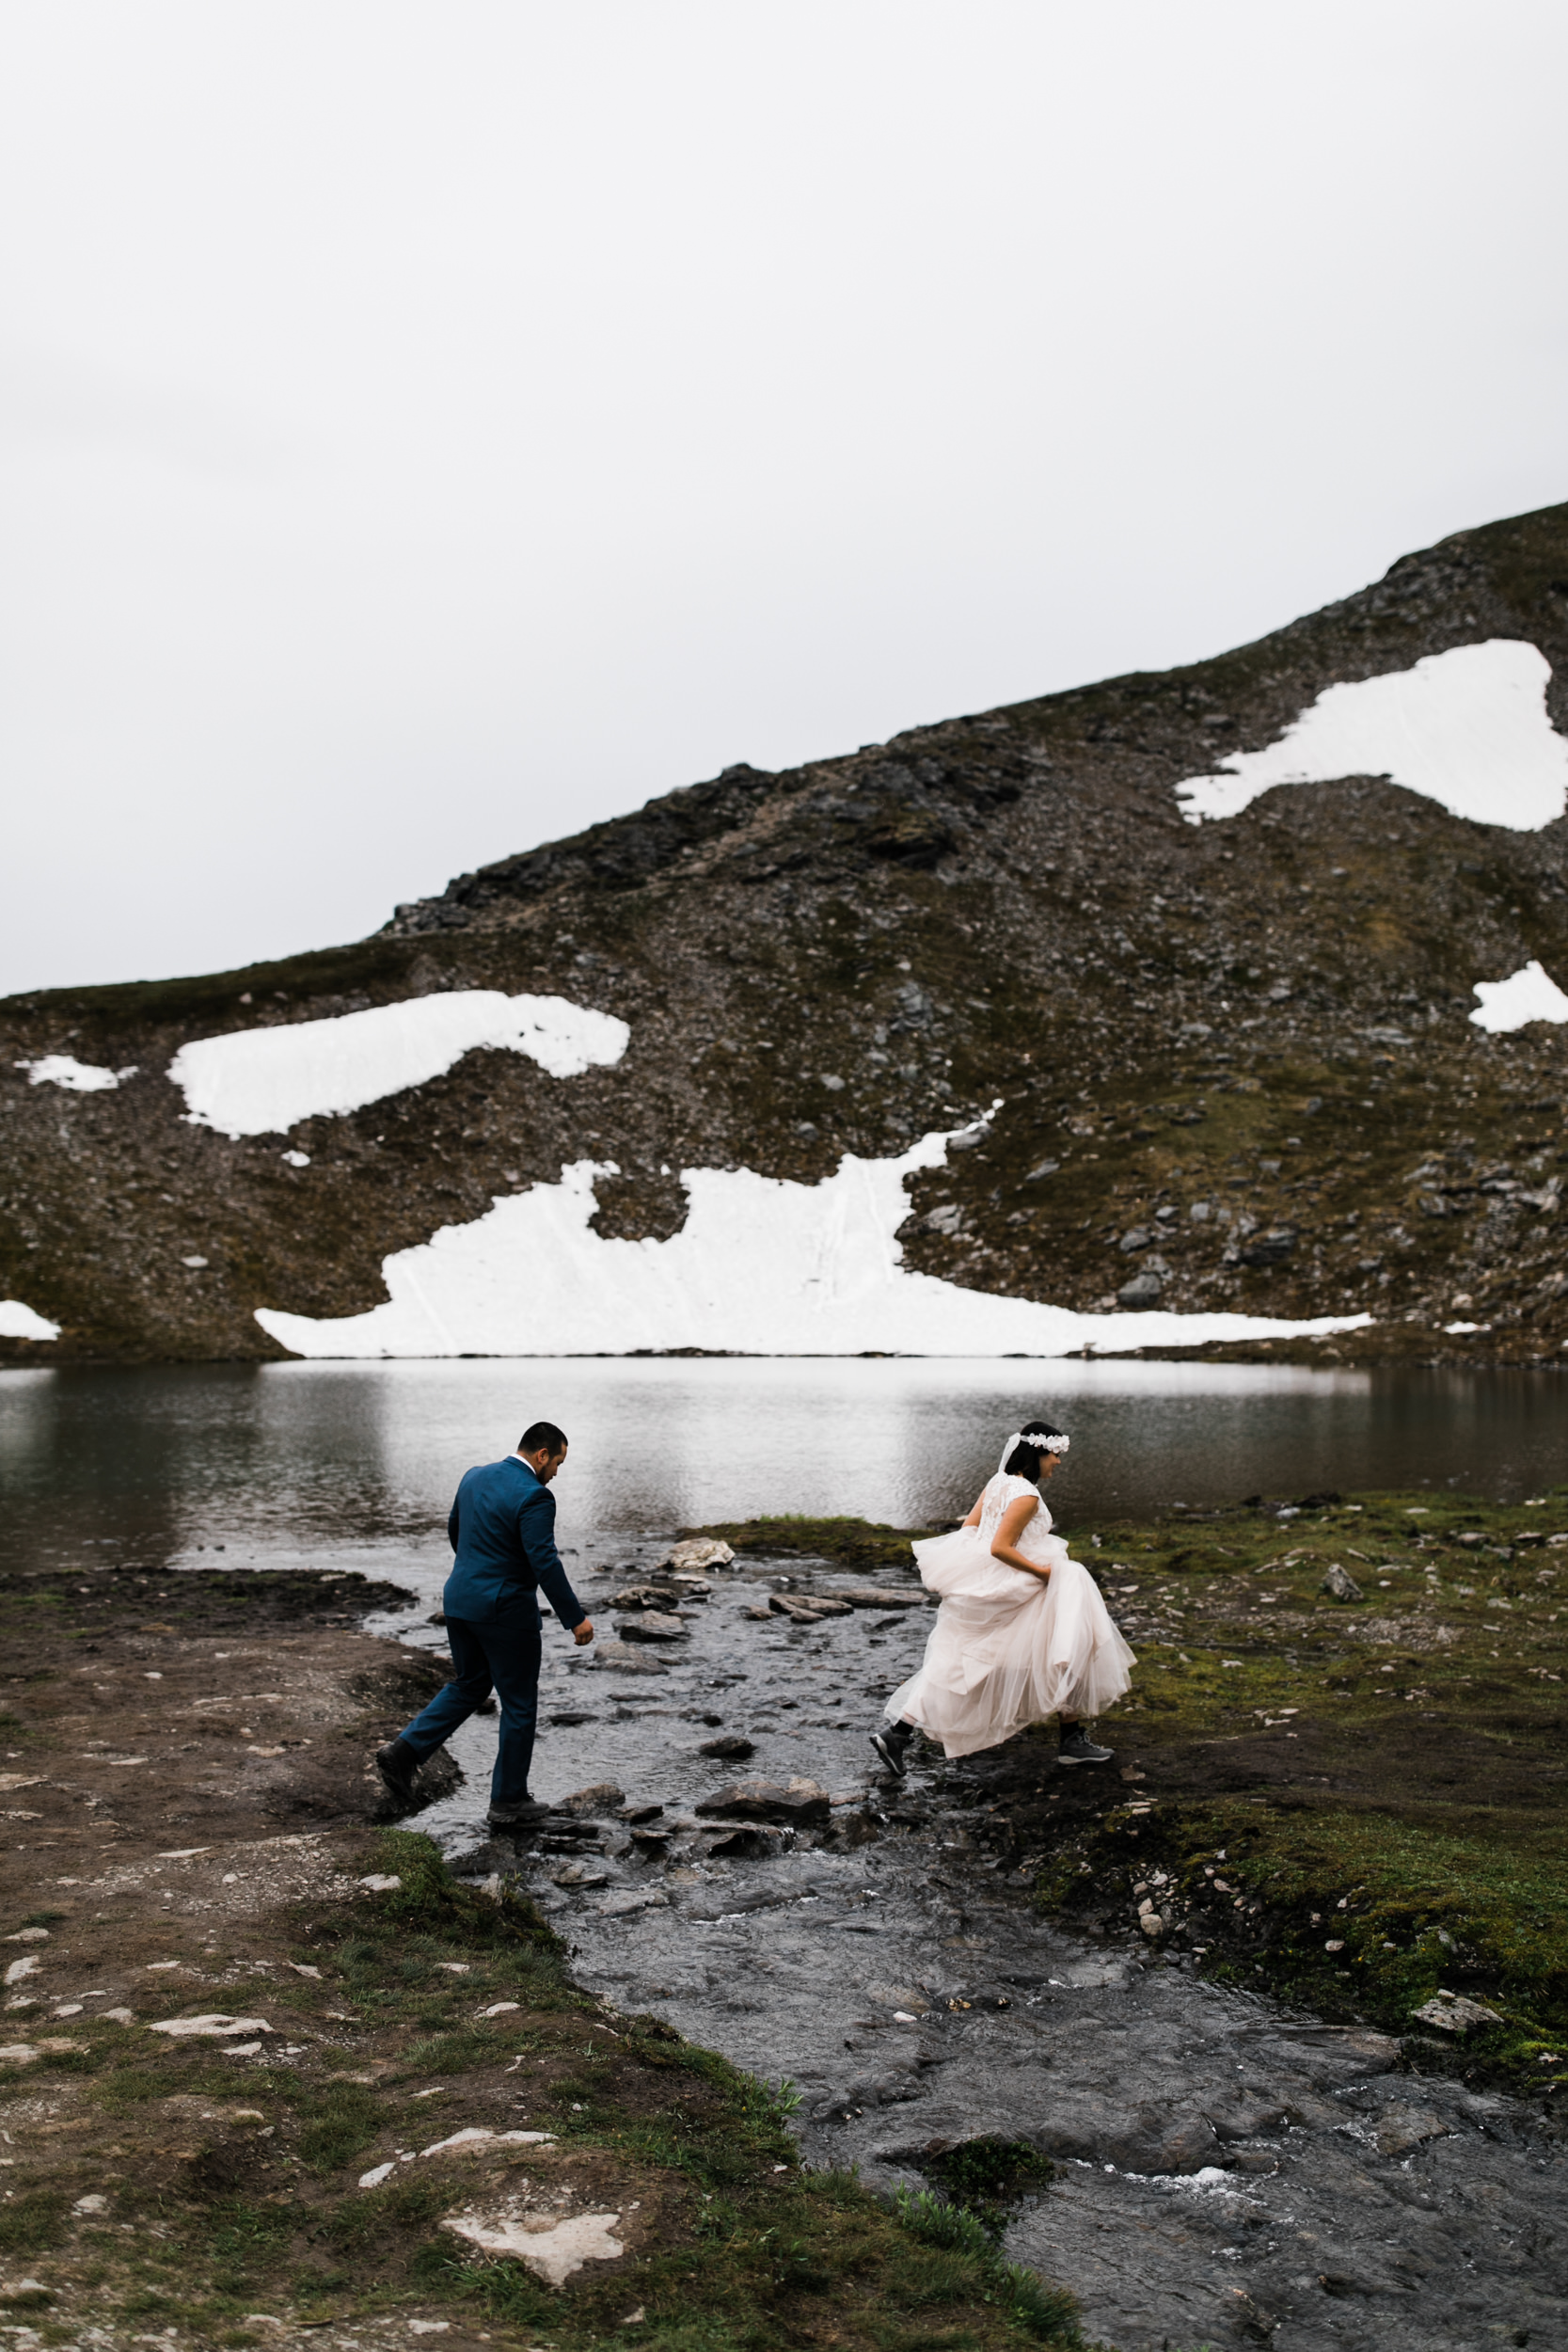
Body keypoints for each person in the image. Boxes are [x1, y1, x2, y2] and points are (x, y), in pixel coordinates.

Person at [871, 1422, 1133, 1775]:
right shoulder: (1026, 1495)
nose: (1058, 1463)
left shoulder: (998, 1483)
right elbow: (1000, 1548)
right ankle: (1071, 1741)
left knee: (962, 1661)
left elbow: (970, 1531)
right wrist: (1045, 1575)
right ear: (1038, 1453)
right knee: (1070, 1644)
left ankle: (898, 1734)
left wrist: (978, 1574)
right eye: (1056, 1455)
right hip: (1023, 1584)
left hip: (995, 1584)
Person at [375, 1420, 594, 1830]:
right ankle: (508, 1800)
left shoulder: (473, 1477)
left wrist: (478, 1573)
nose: (557, 1473)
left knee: (470, 1684)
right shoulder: (535, 1496)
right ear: (542, 1454)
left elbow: (456, 1533)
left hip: (459, 1600)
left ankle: (403, 1753)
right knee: (518, 1703)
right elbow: (543, 1560)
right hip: (505, 1611)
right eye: (558, 1462)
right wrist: (575, 1618)